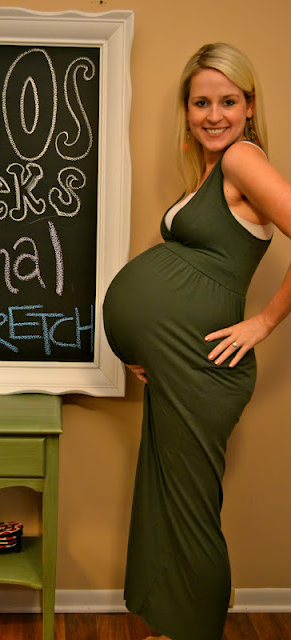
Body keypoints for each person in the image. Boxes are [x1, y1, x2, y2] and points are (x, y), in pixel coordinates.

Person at [103, 42, 291, 640]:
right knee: (169, 505)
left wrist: (264, 322)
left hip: (205, 369)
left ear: (250, 106)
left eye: (228, 101)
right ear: (186, 111)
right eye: (201, 102)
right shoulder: (211, 173)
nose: (214, 115)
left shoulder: (242, 159)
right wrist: (147, 347)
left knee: (191, 515)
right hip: (178, 365)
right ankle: (174, 628)